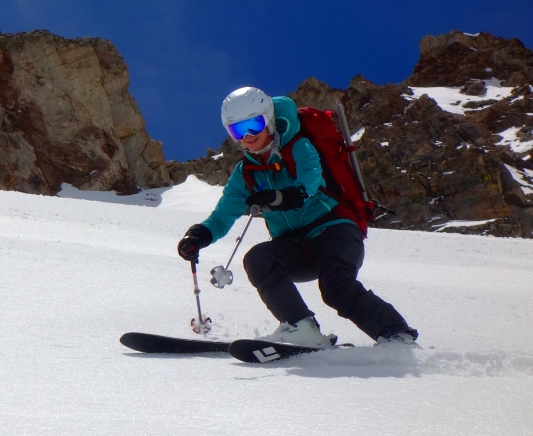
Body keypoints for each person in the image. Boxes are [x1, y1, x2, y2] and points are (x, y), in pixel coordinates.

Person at [177, 87, 418, 346]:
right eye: (237, 130)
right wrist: (198, 236)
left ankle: (397, 334)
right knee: (258, 258)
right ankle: (302, 328)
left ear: (268, 119)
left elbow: (310, 180)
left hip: (335, 230)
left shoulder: (299, 146)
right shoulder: (245, 173)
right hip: (296, 247)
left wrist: (279, 197)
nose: (247, 136)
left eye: (254, 125)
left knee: (335, 287)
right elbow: (223, 216)